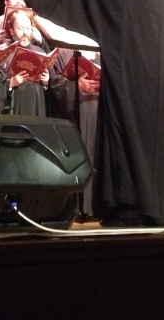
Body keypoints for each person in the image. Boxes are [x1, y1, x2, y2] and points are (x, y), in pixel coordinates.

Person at [26, 0, 164, 227]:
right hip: (160, 91)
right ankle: (161, 205)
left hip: (132, 84)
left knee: (127, 136)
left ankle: (130, 207)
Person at [49, 46, 101, 218]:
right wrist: (76, 85)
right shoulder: (63, 51)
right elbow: (55, 83)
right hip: (75, 114)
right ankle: (77, 207)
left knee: (97, 154)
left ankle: (96, 206)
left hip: (99, 110)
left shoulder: (101, 51)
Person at [3, 9, 49, 116]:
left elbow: (46, 89)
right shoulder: (4, 52)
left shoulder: (39, 51)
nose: (25, 32)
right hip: (14, 102)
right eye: (20, 28)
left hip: (35, 103)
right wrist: (10, 83)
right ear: (11, 31)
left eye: (28, 28)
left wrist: (45, 82)